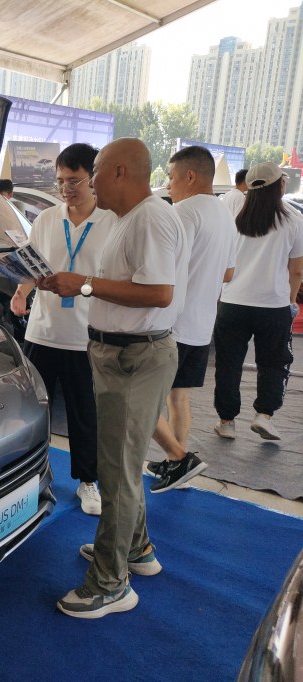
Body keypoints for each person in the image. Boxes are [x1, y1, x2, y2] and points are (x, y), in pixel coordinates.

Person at [39, 138, 188, 619]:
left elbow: (160, 293)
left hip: (135, 357)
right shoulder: (128, 218)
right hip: (118, 353)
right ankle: (137, 549)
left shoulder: (151, 218)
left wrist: (83, 284)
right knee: (119, 464)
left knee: (117, 474)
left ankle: (109, 583)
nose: (89, 182)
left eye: (96, 171)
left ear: (120, 171)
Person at [10, 143, 114, 515]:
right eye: (60, 181)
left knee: (84, 414)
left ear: (93, 178)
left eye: (74, 180)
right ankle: (28, 476)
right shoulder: (46, 219)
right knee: (32, 412)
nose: (66, 188)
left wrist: (82, 284)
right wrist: (21, 291)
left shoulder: (111, 222)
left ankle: (88, 481)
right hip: (42, 331)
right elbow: (32, 264)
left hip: (86, 335)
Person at [146, 146, 237, 493]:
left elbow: (164, 267)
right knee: (177, 397)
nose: (169, 186)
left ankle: (179, 458)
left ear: (190, 176)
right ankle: (177, 466)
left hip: (171, 323)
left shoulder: (183, 212)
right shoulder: (224, 213)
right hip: (201, 324)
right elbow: (228, 273)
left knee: (140, 400)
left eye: (171, 177)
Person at [213, 161, 303, 441]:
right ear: (280, 185)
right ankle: (264, 415)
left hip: (232, 303)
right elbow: (296, 270)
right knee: (274, 363)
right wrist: (291, 299)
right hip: (273, 305)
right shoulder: (294, 219)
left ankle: (226, 421)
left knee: (228, 363)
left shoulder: (234, 216)